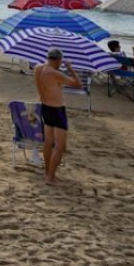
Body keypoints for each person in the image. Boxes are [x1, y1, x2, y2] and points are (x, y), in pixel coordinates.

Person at [33, 48, 85, 184]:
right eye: (61, 62)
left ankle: (48, 173)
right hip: (56, 109)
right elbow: (79, 84)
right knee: (61, 146)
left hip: (45, 107)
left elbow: (48, 86)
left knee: (48, 142)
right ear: (57, 60)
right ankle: (50, 177)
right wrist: (70, 69)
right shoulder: (55, 73)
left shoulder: (38, 68)